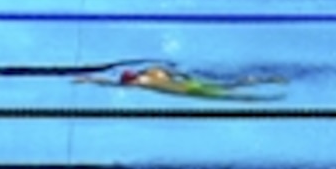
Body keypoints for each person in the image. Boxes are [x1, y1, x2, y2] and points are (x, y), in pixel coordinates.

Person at [75, 65, 286, 100]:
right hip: (190, 82)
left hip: (186, 91)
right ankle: (264, 79)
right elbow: (169, 70)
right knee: (228, 85)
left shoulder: (142, 83)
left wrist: (89, 79)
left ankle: (259, 83)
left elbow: (109, 84)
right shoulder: (153, 72)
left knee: (227, 91)